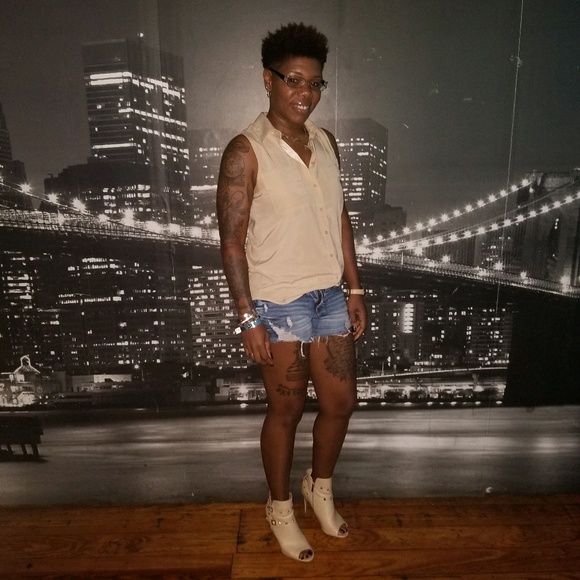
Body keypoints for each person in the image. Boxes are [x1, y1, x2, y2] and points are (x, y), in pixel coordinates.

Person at [217, 22, 367, 562]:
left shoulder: (326, 143)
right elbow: (231, 242)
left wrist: (355, 286)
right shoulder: (245, 151)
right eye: (294, 80)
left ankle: (318, 488)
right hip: (278, 302)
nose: (306, 93)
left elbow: (340, 218)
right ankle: (279, 507)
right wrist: (247, 317)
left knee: (341, 403)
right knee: (285, 411)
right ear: (268, 80)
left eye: (315, 83)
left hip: (329, 294)